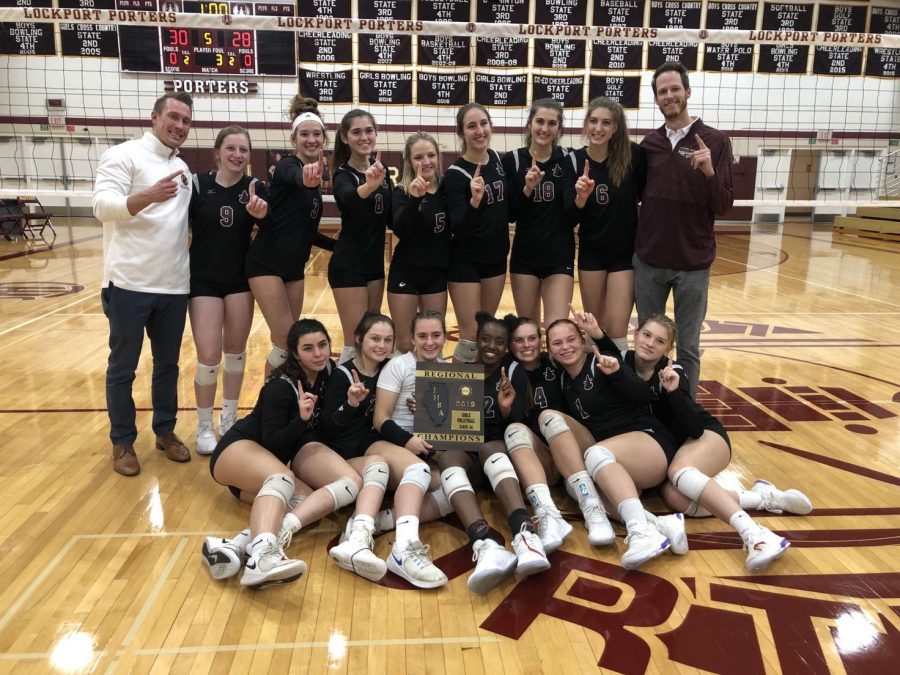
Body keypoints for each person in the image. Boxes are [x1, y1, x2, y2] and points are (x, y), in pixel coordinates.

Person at [627, 314, 812, 570]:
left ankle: (755, 534)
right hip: (668, 447)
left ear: (668, 349)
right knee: (677, 499)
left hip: (702, 435)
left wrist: (673, 393)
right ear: (635, 334)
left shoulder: (673, 371)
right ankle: (762, 498)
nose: (649, 343)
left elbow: (693, 426)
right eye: (646, 335)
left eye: (659, 341)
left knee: (680, 473)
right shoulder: (621, 365)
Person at [92, 92, 195, 476]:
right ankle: (122, 442)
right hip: (129, 284)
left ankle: (165, 431)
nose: (179, 126)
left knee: (168, 365)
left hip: (173, 286)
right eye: (173, 117)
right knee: (123, 367)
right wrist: (146, 197)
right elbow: (102, 208)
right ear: (154, 117)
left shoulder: (183, 169)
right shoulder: (124, 155)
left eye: (186, 120)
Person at [201, 319, 336, 588]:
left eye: (323, 345)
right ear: (295, 354)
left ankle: (234, 545)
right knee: (283, 478)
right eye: (308, 348)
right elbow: (272, 442)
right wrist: (300, 420)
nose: (318, 353)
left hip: (263, 467)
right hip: (238, 449)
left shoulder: (326, 373)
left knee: (310, 504)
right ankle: (261, 558)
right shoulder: (280, 386)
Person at [542, 317, 685, 570]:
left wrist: (618, 372)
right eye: (557, 343)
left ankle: (641, 532)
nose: (565, 347)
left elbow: (642, 395)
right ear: (550, 349)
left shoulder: (603, 360)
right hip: (608, 457)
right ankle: (660, 524)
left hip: (649, 443)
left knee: (596, 455)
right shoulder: (563, 380)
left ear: (583, 340)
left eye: (571, 339)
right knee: (573, 480)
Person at [634, 61, 735, 397]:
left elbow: (723, 204)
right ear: (657, 99)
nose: (669, 95)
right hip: (649, 261)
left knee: (688, 347)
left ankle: (684, 410)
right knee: (647, 345)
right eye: (662, 91)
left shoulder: (716, 141)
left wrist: (709, 172)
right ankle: (646, 404)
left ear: (687, 92)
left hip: (693, 264)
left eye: (675, 88)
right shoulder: (648, 146)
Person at [438, 312, 550, 594]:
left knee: (490, 446)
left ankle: (525, 535)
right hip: (471, 459)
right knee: (449, 458)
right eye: (486, 339)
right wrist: (429, 408)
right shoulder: (460, 369)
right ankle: (484, 543)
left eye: (500, 342)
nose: (492, 346)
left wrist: (504, 408)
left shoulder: (513, 373)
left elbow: (515, 425)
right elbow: (449, 426)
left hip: (502, 460)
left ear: (506, 346)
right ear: (476, 340)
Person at [501, 315, 616, 551]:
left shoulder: (555, 361)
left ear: (542, 342)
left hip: (578, 449)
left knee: (549, 416)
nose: (526, 345)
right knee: (513, 430)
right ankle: (548, 515)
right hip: (546, 463)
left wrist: (595, 333)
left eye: (532, 338)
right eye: (519, 340)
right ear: (510, 345)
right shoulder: (507, 372)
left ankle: (593, 510)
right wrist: (505, 409)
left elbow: (601, 356)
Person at [189, 126, 268, 455]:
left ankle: (230, 417)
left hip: (239, 280)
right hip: (203, 280)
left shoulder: (255, 188)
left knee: (235, 354)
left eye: (244, 150)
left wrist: (262, 218)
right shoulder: (198, 185)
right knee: (208, 356)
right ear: (218, 151)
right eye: (231, 148)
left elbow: (271, 231)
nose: (238, 155)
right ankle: (204, 423)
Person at [245, 96, 334, 377]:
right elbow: (296, 175)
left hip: (294, 268)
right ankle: (269, 407)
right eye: (304, 134)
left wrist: (339, 246)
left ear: (324, 138)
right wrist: (306, 178)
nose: (311, 139)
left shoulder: (316, 185)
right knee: (286, 342)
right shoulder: (288, 166)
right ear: (294, 139)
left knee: (286, 344)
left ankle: (288, 400)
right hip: (266, 264)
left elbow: (306, 231)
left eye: (316, 134)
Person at [368, 310, 454, 588]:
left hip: (424, 450)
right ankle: (405, 548)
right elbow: (380, 419)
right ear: (413, 338)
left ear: (445, 337)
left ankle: (383, 521)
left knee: (452, 489)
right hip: (390, 443)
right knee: (420, 471)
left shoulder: (448, 370)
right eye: (422, 336)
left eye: (436, 335)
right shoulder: (399, 366)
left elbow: (448, 425)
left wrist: (432, 417)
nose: (430, 342)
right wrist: (409, 440)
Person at [317, 312, 395, 580]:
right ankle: (360, 536)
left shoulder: (390, 369)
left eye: (388, 340)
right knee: (378, 470)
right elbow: (327, 427)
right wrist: (351, 404)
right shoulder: (343, 374)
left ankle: (363, 526)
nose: (381, 346)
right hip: (339, 454)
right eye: (375, 338)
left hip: (368, 446)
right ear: (359, 339)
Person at [570, 97, 646, 355]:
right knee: (594, 330)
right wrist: (580, 198)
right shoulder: (575, 160)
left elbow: (652, 197)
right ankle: (594, 389)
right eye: (593, 121)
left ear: (615, 128)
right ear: (586, 125)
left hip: (623, 256)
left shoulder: (633, 156)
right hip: (591, 253)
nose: (598, 128)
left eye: (606, 122)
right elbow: (569, 216)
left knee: (615, 332)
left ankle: (619, 388)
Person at [443, 103, 509, 364]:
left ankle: (479, 398)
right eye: (472, 126)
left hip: (495, 260)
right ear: (461, 133)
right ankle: (459, 402)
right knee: (470, 338)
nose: (479, 131)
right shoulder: (455, 174)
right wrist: (474, 201)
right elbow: (457, 226)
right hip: (465, 263)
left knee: (485, 334)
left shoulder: (496, 159)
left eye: (483, 123)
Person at [503, 99, 575, 329]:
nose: (545, 128)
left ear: (559, 128)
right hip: (525, 258)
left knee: (558, 331)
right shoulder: (512, 160)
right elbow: (511, 215)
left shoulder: (569, 158)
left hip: (559, 257)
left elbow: (573, 213)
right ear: (529, 124)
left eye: (551, 123)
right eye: (540, 121)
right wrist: (527, 189)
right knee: (528, 333)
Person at [329, 110, 392, 364]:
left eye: (369, 130)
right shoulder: (342, 174)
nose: (364, 136)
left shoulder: (381, 169)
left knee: (371, 339)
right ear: (345, 137)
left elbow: (391, 217)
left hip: (374, 266)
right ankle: (341, 398)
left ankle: (368, 399)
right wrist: (370, 186)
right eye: (356, 132)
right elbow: (349, 199)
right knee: (355, 342)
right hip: (349, 267)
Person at [388, 133, 450, 353]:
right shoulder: (402, 192)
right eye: (418, 157)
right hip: (406, 273)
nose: (426, 162)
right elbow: (401, 230)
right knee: (405, 344)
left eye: (431, 155)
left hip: (436, 275)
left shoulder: (446, 190)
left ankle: (430, 388)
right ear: (408, 162)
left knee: (433, 344)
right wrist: (415, 199)